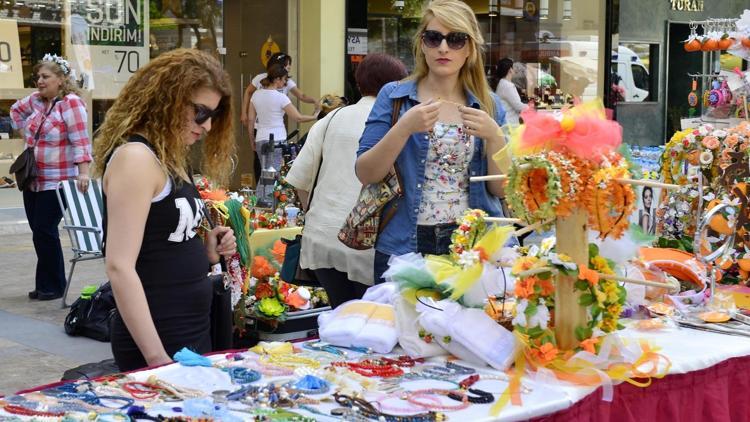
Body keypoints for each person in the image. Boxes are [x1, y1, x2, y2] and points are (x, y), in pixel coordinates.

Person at [92, 49, 237, 371]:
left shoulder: (166, 157)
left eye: (212, 115)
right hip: (161, 335)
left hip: (188, 327)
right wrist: (156, 357)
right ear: (167, 100)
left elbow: (158, 243)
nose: (208, 126)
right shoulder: (136, 158)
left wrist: (207, 251)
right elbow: (119, 266)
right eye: (201, 112)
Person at [356, 0, 511, 284]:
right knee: (406, 327)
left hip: (475, 248)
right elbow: (366, 173)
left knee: (468, 329)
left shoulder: (491, 106)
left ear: (470, 49)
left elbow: (500, 188)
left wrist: (495, 137)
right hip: (406, 245)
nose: (443, 48)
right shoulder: (395, 97)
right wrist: (403, 128)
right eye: (434, 37)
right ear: (422, 45)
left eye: (455, 39)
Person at [286, 53, 408, 307]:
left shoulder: (331, 118)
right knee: (375, 327)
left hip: (322, 241)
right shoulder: (398, 123)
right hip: (370, 247)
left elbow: (300, 180)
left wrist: (317, 215)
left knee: (341, 318)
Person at [10, 54, 91, 301]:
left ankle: (55, 285)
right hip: (33, 179)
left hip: (57, 181)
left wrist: (84, 172)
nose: (40, 81)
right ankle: (44, 283)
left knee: (45, 230)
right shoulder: (36, 101)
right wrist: (28, 135)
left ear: (61, 79)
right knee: (39, 232)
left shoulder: (72, 103)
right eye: (38, 77)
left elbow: (80, 140)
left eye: (45, 77)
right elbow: (14, 112)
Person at [248, 64, 319, 172]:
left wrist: (252, 139)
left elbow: (251, 120)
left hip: (260, 139)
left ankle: (261, 189)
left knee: (265, 175)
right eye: (284, 80)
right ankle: (264, 189)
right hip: (277, 140)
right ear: (277, 79)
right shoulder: (281, 98)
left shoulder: (256, 95)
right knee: (273, 175)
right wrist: (315, 116)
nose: (285, 83)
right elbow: (298, 118)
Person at [241, 52, 316, 132]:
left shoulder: (287, 82)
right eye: (287, 66)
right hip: (259, 126)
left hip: (276, 126)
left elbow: (302, 96)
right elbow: (248, 92)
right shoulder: (260, 78)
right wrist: (244, 113)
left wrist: (314, 101)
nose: (289, 68)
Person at [495, 58, 527, 125]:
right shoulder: (507, 86)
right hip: (510, 124)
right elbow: (518, 106)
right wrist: (532, 107)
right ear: (510, 70)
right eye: (513, 67)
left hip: (507, 123)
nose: (515, 69)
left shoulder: (503, 83)